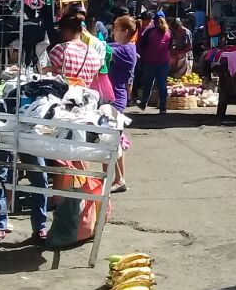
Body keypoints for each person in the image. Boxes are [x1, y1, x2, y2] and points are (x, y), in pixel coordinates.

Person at [107, 15, 139, 193]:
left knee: (111, 140)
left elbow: (102, 47)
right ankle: (118, 178)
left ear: (126, 31)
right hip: (116, 97)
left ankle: (119, 179)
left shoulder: (126, 50)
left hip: (116, 100)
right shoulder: (124, 47)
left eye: (116, 29)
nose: (113, 32)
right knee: (115, 139)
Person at [49, 15, 104, 87]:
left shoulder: (61, 49)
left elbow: (45, 72)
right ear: (81, 30)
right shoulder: (94, 54)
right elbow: (94, 81)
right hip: (83, 96)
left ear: (67, 30)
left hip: (63, 96)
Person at [135, 11, 172, 113]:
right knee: (162, 85)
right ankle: (163, 108)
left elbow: (142, 46)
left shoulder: (149, 32)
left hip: (150, 61)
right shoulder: (169, 33)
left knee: (148, 84)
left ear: (154, 21)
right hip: (164, 62)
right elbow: (169, 47)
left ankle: (143, 103)